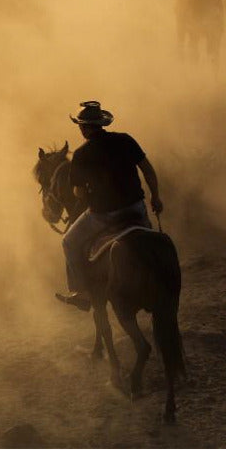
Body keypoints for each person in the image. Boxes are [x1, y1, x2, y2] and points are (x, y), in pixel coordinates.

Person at [56, 101, 163, 311]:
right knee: (154, 242)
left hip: (103, 216)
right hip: (136, 209)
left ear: (84, 127)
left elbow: (78, 192)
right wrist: (156, 198)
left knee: (68, 241)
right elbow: (148, 171)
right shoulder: (126, 140)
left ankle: (82, 292)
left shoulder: (80, 154)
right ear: (101, 123)